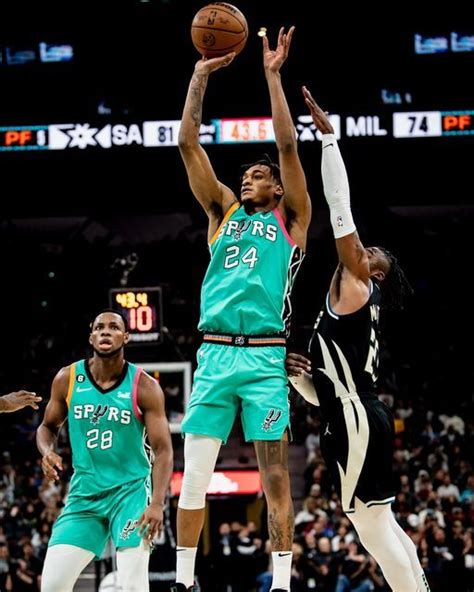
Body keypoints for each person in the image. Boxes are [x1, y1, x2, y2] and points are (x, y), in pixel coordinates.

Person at [172, 27, 311, 592]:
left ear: (277, 190)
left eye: (258, 176)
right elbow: (187, 144)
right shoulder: (222, 213)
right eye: (246, 175)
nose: (248, 178)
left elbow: (287, 147)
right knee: (196, 478)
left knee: (274, 474)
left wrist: (272, 76)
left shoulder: (291, 220)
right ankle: (183, 580)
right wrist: (199, 77)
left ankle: (281, 583)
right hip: (213, 355)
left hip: (264, 360)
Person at [286, 87, 430, 591]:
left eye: (375, 257)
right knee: (383, 523)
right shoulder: (348, 305)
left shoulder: (357, 281)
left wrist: (329, 142)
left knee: (371, 529)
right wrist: (300, 381)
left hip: (356, 415)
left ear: (377, 277)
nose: (366, 250)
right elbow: (326, 396)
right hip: (353, 411)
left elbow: (338, 207)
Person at [36, 309, 173, 592]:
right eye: (99, 327)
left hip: (130, 493)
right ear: (91, 336)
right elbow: (47, 427)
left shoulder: (145, 386)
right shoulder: (68, 378)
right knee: (52, 586)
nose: (105, 331)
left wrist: (157, 502)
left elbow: (163, 450)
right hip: (85, 494)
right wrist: (47, 451)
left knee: (134, 585)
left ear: (126, 336)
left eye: (113, 327)